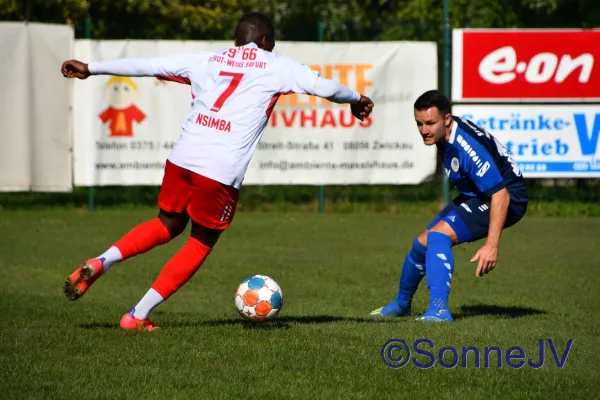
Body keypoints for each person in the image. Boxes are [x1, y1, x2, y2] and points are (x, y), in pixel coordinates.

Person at [62, 12, 374, 331]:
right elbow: (325, 87)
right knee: (200, 242)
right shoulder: (277, 64)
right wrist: (356, 98)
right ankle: (137, 316)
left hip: (182, 158)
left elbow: (147, 65)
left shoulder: (207, 60)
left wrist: (91, 68)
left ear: (236, 41)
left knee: (167, 224)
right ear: (266, 41)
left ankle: (103, 260)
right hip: (219, 170)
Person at [370, 89, 527, 322]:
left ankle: (439, 310)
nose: (424, 130)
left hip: (506, 199)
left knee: (439, 237)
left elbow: (500, 195)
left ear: (447, 119)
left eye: (430, 123)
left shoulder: (466, 147)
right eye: (419, 123)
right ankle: (402, 305)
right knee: (421, 244)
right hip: (479, 194)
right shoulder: (444, 134)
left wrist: (491, 246)